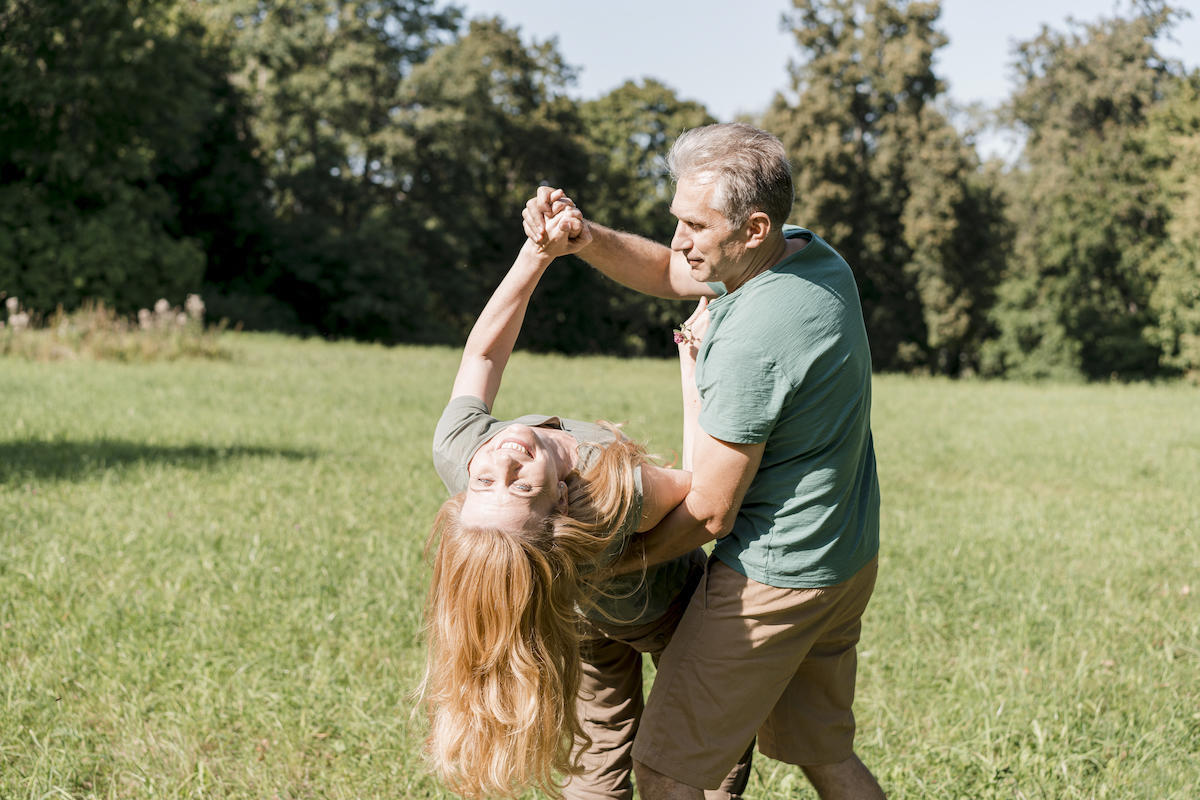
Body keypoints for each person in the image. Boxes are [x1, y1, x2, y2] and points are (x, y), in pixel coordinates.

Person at [523, 122, 885, 800]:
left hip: (774, 579)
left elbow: (712, 510)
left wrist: (609, 564)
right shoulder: (808, 255)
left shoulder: (752, 339)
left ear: (751, 227)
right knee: (823, 754)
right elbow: (672, 271)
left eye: (695, 224)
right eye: (677, 220)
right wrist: (586, 239)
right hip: (844, 556)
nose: (681, 240)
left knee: (667, 771)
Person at [421, 205, 750, 800]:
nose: (505, 459)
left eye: (488, 482)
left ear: (466, 496)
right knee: (703, 746)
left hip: (577, 612)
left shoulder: (464, 453)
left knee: (598, 742)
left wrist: (536, 254)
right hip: (665, 607)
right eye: (522, 485)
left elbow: (482, 357)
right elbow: (704, 492)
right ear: (563, 505)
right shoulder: (608, 491)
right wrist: (693, 362)